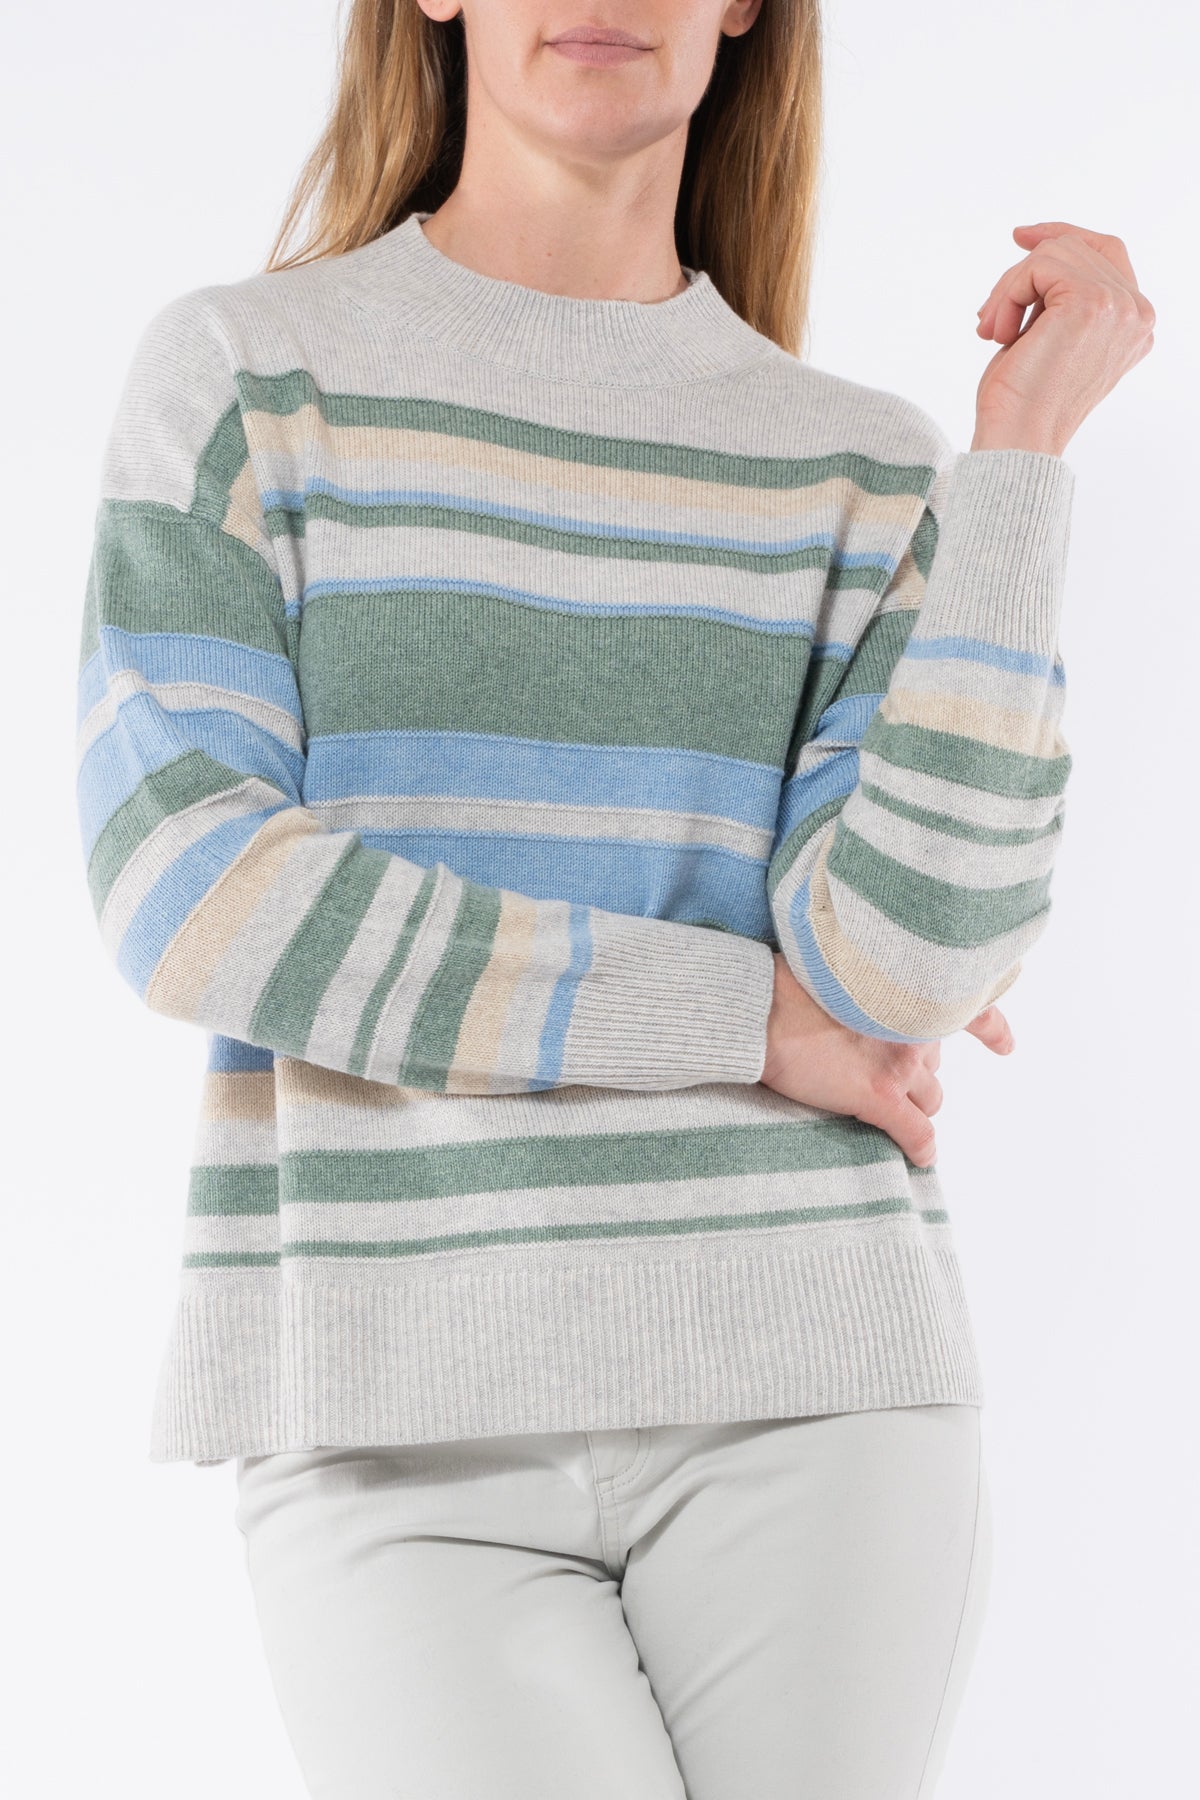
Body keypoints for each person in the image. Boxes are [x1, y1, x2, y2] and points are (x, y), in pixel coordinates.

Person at [74, 2, 1153, 1795]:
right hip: (394, 1414)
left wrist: (1020, 462)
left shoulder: (862, 465)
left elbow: (913, 961)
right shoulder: (249, 377)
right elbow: (189, 887)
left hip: (817, 1386)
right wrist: (745, 1019)